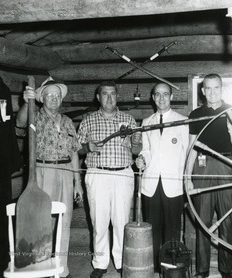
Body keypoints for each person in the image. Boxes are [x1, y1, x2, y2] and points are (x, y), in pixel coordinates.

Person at [16, 76, 83, 278]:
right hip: (42, 172)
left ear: (61, 100)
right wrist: (26, 102)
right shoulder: (34, 116)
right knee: (43, 220)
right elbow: (20, 122)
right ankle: (41, 267)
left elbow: (74, 153)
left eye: (57, 96)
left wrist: (77, 183)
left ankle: (61, 270)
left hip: (66, 173)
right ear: (41, 98)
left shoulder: (68, 122)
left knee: (65, 220)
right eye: (49, 95)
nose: (54, 99)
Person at [77, 81, 142, 278]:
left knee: (122, 220)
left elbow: (137, 150)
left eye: (113, 94)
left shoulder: (128, 120)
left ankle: (122, 261)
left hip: (123, 173)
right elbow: (76, 148)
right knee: (99, 221)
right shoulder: (88, 121)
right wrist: (88, 148)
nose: (109, 98)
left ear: (117, 96)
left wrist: (135, 143)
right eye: (105, 94)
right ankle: (100, 262)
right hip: (97, 174)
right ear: (98, 97)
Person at [188, 73, 232, 278]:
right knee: (203, 220)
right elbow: (192, 147)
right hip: (202, 167)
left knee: (227, 220)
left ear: (222, 88)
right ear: (203, 91)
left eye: (216, 88)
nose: (212, 92)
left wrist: (231, 127)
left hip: (226, 165)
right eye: (208, 88)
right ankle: (202, 270)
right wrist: (187, 176)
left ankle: (225, 269)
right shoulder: (195, 114)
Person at [135, 82, 189, 271]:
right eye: (157, 94)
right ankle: (155, 267)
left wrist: (186, 182)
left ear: (171, 97)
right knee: (153, 229)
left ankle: (170, 267)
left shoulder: (182, 121)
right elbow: (147, 150)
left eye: (165, 94)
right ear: (152, 97)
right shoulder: (147, 122)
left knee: (173, 229)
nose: (161, 98)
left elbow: (187, 155)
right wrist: (142, 159)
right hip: (151, 184)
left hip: (172, 185)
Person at [0, 45, 23, 278]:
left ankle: (0, 263)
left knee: (0, 214)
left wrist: (13, 158)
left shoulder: (1, 86)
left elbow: (7, 123)